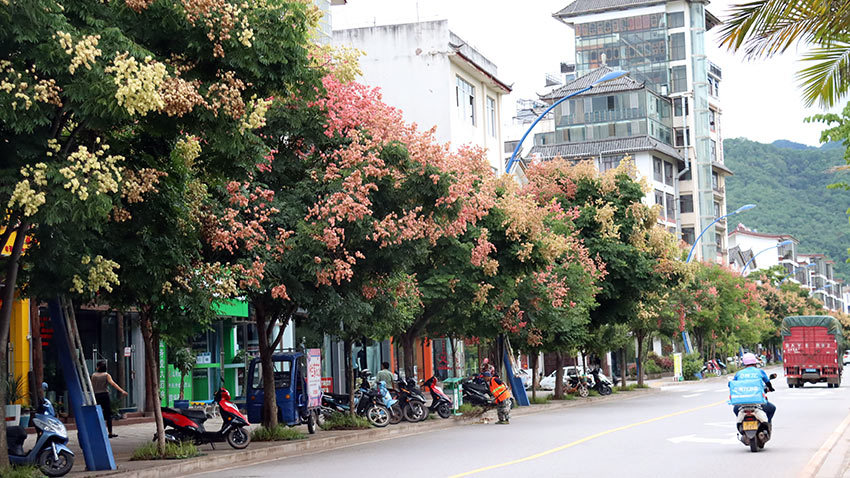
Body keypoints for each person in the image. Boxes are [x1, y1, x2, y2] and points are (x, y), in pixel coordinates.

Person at [729, 353, 775, 422]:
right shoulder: (759, 371)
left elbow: (732, 384)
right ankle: (767, 424)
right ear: (755, 362)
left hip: (742, 403)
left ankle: (743, 424)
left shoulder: (739, 373)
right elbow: (767, 382)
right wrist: (771, 388)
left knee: (735, 410)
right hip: (758, 402)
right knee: (772, 409)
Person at [91, 361, 127, 438]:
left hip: (96, 396)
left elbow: (91, 385)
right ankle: (110, 432)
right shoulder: (106, 375)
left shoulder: (93, 375)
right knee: (108, 415)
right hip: (104, 395)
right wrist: (122, 391)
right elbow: (113, 384)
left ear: (98, 367)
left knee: (97, 414)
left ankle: (97, 432)